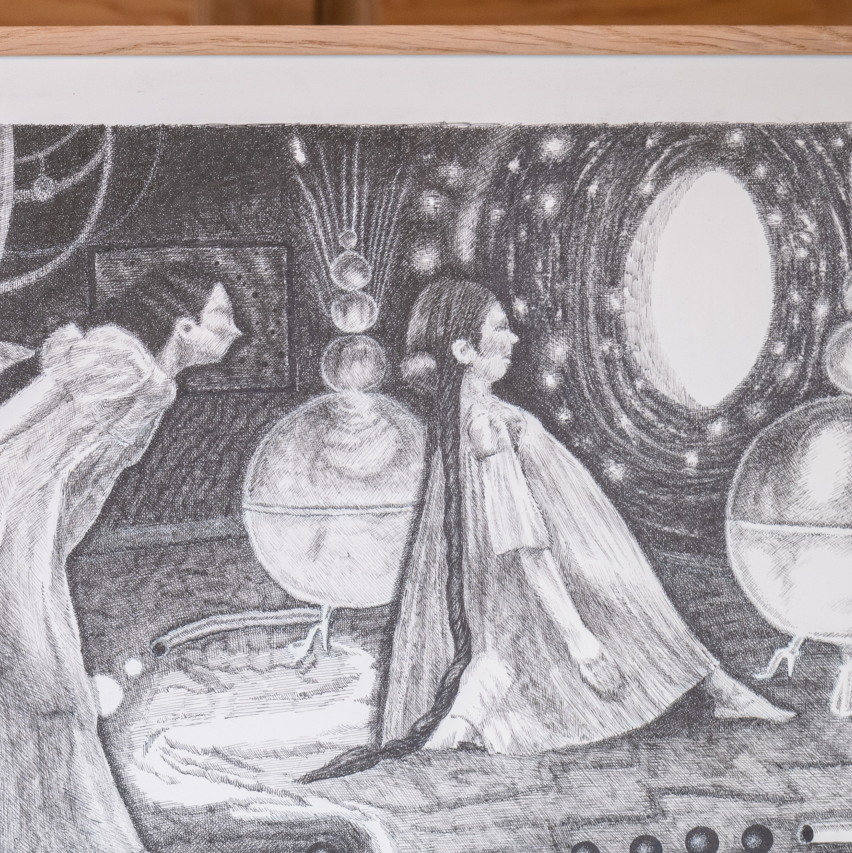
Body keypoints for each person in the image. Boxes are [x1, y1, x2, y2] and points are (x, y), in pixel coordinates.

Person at [311, 279, 788, 779]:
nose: (514, 338)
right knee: (624, 597)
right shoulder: (486, 426)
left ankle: (716, 686)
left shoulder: (468, 417)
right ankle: (716, 688)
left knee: (619, 592)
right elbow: (523, 541)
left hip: (547, 572)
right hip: (540, 583)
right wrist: (583, 646)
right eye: (499, 328)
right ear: (463, 350)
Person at [0, 281, 242, 853]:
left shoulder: (154, 385)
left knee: (24, 696)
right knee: (51, 695)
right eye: (223, 315)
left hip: (28, 536)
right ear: (183, 324)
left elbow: (85, 487)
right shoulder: (118, 358)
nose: (235, 330)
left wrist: (51, 559)